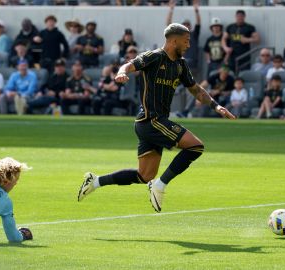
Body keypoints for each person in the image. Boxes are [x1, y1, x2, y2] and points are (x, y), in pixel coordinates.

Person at [77, 23, 235, 213]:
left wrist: (216, 105)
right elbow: (129, 64)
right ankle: (159, 185)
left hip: (152, 123)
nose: (188, 45)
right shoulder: (154, 57)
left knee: (144, 175)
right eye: (186, 41)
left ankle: (95, 181)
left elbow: (196, 90)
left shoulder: (180, 65)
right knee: (195, 146)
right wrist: (121, 72)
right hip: (151, 121)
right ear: (173, 40)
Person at [166, 0, 201, 71]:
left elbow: (198, 23)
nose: (186, 26)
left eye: (188, 24)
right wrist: (171, 10)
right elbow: (169, 25)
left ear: (190, 26)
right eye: (184, 24)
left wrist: (196, 11)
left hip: (192, 64)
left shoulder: (194, 34)